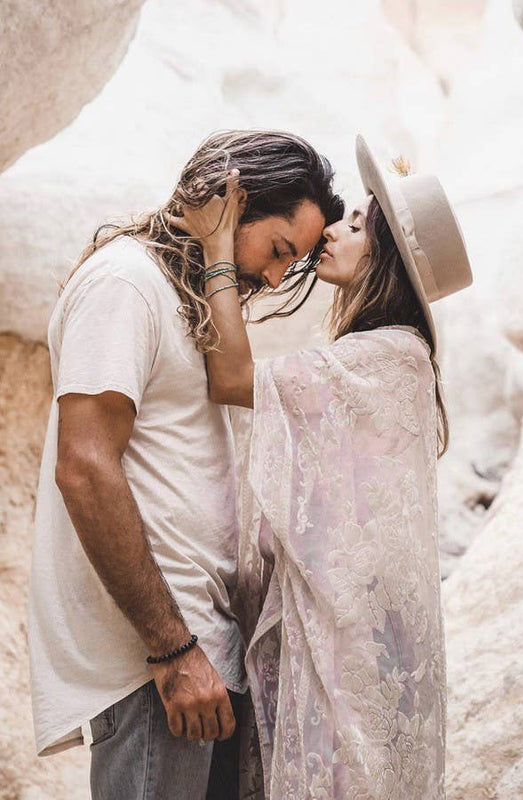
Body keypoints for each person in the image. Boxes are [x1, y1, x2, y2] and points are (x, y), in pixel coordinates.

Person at [27, 129, 343, 800]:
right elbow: (84, 467)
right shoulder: (126, 283)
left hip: (206, 647)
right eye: (278, 250)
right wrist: (172, 650)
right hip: (159, 663)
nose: (276, 278)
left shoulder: (194, 301)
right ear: (232, 204)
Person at [176, 134, 473, 799]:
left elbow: (232, 379)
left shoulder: (389, 355)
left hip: (349, 650)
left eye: (358, 226)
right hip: (348, 637)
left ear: (388, 258)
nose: (334, 231)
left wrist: (217, 251)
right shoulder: (385, 353)